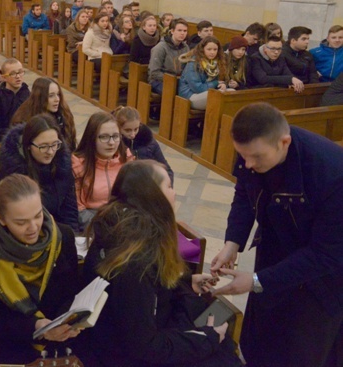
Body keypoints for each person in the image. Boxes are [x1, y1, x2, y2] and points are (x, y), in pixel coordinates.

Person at [210, 103, 343, 367]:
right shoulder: (252, 147)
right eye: (243, 156)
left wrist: (256, 280)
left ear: (284, 142)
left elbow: (325, 254)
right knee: (262, 336)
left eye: (256, 158)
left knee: (300, 348)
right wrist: (232, 242)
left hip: (319, 278)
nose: (247, 163)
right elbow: (244, 192)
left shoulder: (332, 174)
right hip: (274, 247)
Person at [81, 160, 242, 367]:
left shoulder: (122, 228)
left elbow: (147, 291)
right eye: (169, 186)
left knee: (211, 325)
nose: (174, 194)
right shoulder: (135, 261)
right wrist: (206, 339)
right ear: (152, 196)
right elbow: (144, 346)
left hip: (138, 336)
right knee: (222, 352)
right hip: (125, 355)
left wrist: (184, 279)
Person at [0, 174, 80, 364]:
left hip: (59, 345)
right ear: (0, 218)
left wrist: (68, 322)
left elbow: (70, 293)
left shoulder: (63, 237)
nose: (33, 227)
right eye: (20, 222)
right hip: (10, 348)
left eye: (38, 215)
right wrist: (37, 326)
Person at [0, 114, 79, 231]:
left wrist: (73, 236)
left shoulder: (62, 164)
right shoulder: (14, 172)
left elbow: (70, 208)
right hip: (28, 232)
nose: (50, 152)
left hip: (59, 230)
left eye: (54, 144)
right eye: (43, 146)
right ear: (28, 146)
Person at [72, 111, 130, 228]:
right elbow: (79, 210)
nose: (111, 143)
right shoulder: (78, 164)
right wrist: (105, 225)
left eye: (115, 136)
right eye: (104, 137)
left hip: (123, 217)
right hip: (92, 221)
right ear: (92, 138)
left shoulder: (127, 160)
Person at [11, 77, 77, 151]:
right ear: (40, 98)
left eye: (58, 94)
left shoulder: (64, 113)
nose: (57, 99)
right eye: (51, 95)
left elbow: (72, 146)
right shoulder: (24, 119)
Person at [113, 105, 174, 182]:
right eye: (127, 130)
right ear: (118, 128)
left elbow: (167, 170)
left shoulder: (149, 141)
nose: (132, 134)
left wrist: (165, 188)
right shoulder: (113, 144)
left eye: (136, 129)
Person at [0, 58, 30, 143]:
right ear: (4, 77)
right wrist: (16, 134)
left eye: (20, 72)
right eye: (12, 74)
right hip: (4, 141)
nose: (18, 76)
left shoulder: (28, 95)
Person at [177, 36, 227, 110]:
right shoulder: (193, 64)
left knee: (230, 93)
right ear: (202, 49)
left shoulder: (216, 63)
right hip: (190, 96)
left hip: (207, 93)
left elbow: (221, 81)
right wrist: (216, 83)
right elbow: (198, 88)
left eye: (215, 49)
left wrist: (222, 85)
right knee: (216, 97)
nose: (212, 52)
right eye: (209, 49)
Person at [148, 18, 189, 94]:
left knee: (190, 91)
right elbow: (154, 72)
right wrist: (173, 79)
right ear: (172, 31)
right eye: (179, 30)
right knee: (173, 91)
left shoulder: (185, 47)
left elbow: (187, 67)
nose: (182, 33)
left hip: (178, 80)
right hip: (159, 81)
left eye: (185, 31)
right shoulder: (160, 48)